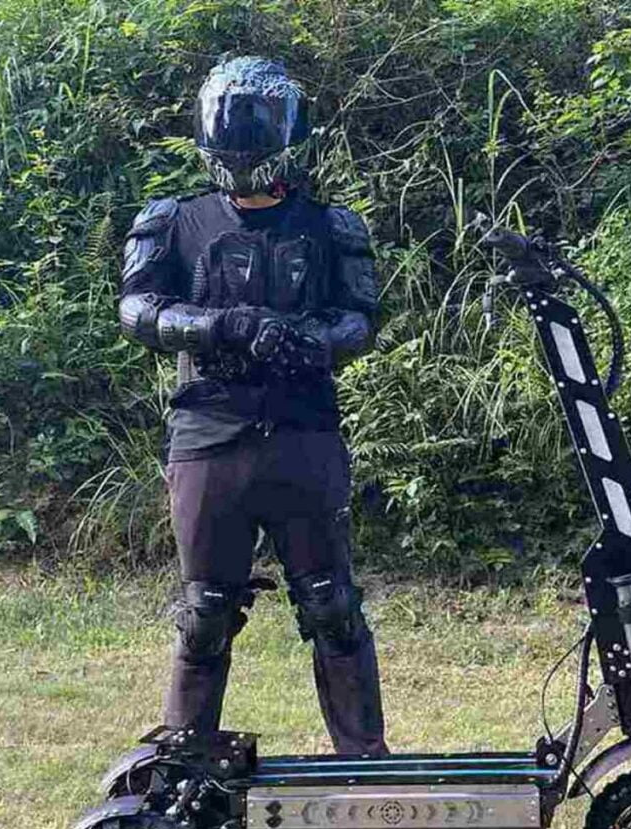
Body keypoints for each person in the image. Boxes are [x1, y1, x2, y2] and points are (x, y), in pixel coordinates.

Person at [117, 55, 387, 758]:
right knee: (205, 612)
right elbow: (138, 309)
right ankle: (184, 772)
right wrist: (219, 325)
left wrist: (313, 342)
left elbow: (361, 316)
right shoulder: (172, 222)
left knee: (333, 606)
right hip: (209, 434)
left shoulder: (331, 227)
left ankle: (365, 773)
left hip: (302, 431)